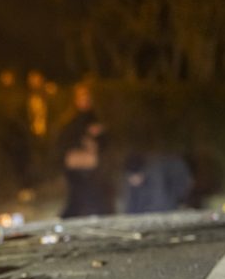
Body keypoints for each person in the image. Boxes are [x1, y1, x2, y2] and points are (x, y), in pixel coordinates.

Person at [56, 83, 111, 217]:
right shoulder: (70, 120)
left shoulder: (96, 116)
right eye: (81, 97)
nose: (84, 100)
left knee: (95, 193)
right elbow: (64, 142)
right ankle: (69, 217)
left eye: (86, 96)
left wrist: (97, 135)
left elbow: (105, 142)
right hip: (75, 166)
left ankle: (100, 216)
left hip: (93, 165)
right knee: (77, 194)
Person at [120, 152, 193, 214]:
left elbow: (161, 207)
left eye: (133, 177)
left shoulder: (156, 178)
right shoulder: (133, 185)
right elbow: (130, 207)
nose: (131, 181)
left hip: (162, 214)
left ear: (141, 173)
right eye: (129, 177)